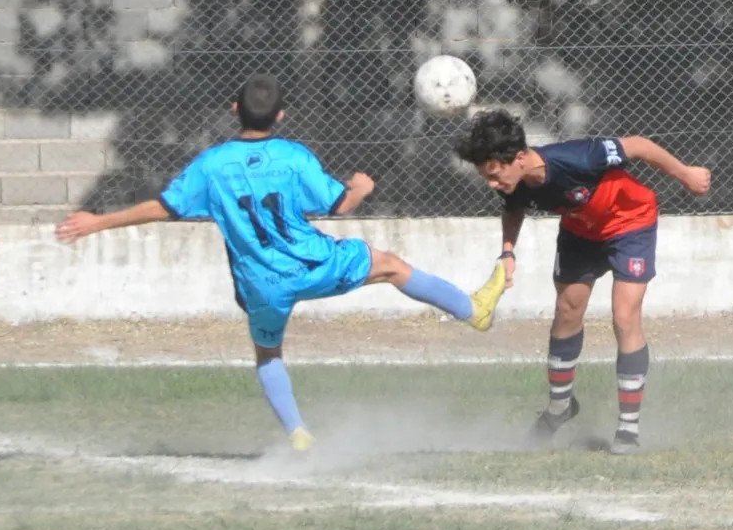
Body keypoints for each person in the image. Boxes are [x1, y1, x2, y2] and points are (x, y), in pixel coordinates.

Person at [57, 73, 507, 451]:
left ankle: (297, 432)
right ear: (281, 116)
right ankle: (472, 310)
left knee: (268, 352)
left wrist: (97, 221)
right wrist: (361, 188)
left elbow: (163, 208)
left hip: (262, 284)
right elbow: (339, 205)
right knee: (390, 265)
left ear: (234, 110)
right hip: (314, 264)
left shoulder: (211, 165)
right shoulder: (293, 157)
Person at [452, 109, 711, 455]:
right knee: (568, 309)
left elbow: (638, 145)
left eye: (495, 175)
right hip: (580, 231)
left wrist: (686, 174)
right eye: (487, 177)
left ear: (519, 158)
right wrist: (507, 252)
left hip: (630, 223)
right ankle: (560, 406)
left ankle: (628, 429)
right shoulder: (514, 182)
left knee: (624, 316)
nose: (492, 184)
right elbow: (513, 209)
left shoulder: (578, 157)